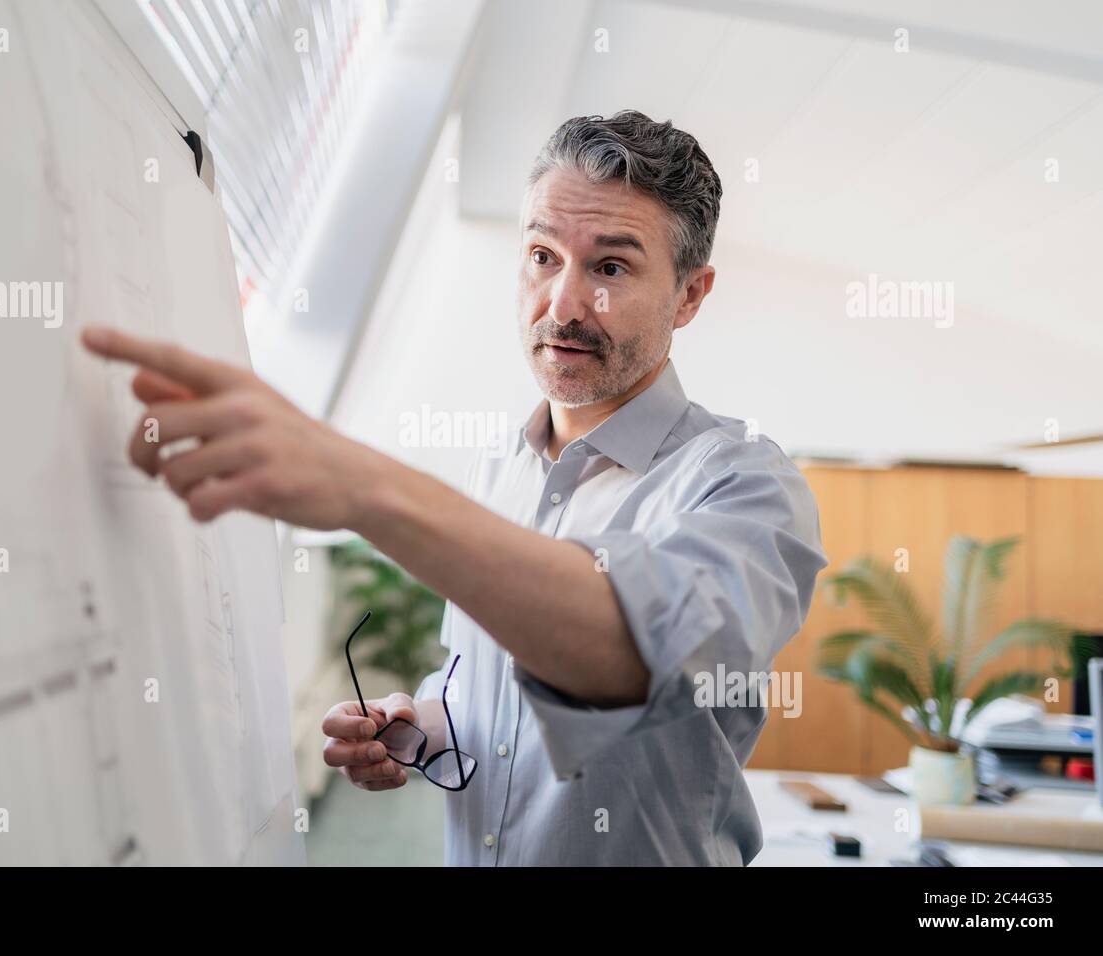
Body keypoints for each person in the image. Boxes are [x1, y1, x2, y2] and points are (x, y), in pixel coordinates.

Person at [83, 110, 827, 865]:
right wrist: (422, 726)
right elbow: (481, 687)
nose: (562, 305)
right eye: (542, 255)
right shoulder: (499, 467)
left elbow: (625, 654)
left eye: (609, 268)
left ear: (690, 296)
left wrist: (362, 484)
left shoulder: (745, 485)